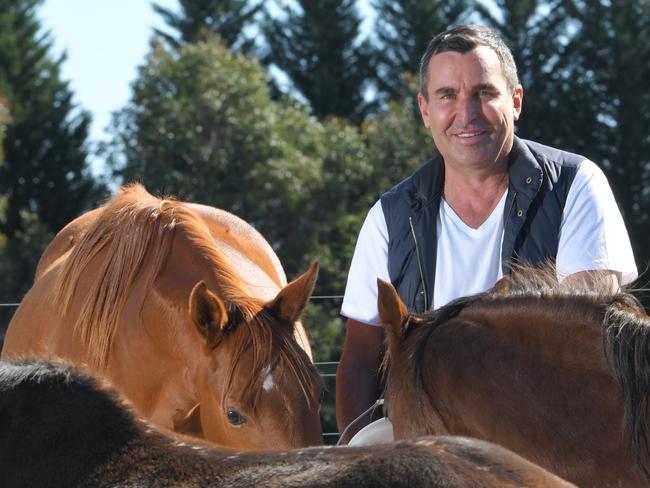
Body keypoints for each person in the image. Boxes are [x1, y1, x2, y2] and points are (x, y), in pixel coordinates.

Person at [335, 24, 637, 444]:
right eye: (447, 96)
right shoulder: (390, 216)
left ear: (515, 102)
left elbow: (587, 343)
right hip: (424, 441)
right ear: (425, 111)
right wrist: (358, 459)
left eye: (484, 93)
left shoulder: (576, 185)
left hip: (550, 437)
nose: (467, 113)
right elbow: (359, 362)